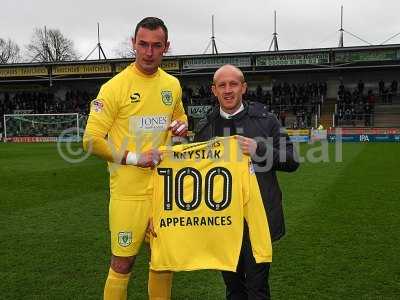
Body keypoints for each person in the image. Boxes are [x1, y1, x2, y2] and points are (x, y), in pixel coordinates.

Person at [83, 17, 187, 300]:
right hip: (128, 195)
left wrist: (181, 125)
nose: (149, 52)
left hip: (165, 191)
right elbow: (91, 140)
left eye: (156, 46)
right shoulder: (114, 88)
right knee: (122, 263)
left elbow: (179, 118)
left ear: (166, 47)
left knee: (163, 261)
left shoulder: (172, 85)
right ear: (133, 44)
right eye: (143, 44)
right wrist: (133, 158)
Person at [194, 64, 299, 299]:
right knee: (233, 290)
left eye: (233, 84)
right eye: (222, 85)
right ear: (214, 90)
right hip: (221, 221)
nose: (228, 90)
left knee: (257, 289)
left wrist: (258, 149)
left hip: (258, 220)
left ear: (243, 87)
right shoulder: (204, 127)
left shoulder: (266, 120)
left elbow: (292, 161)